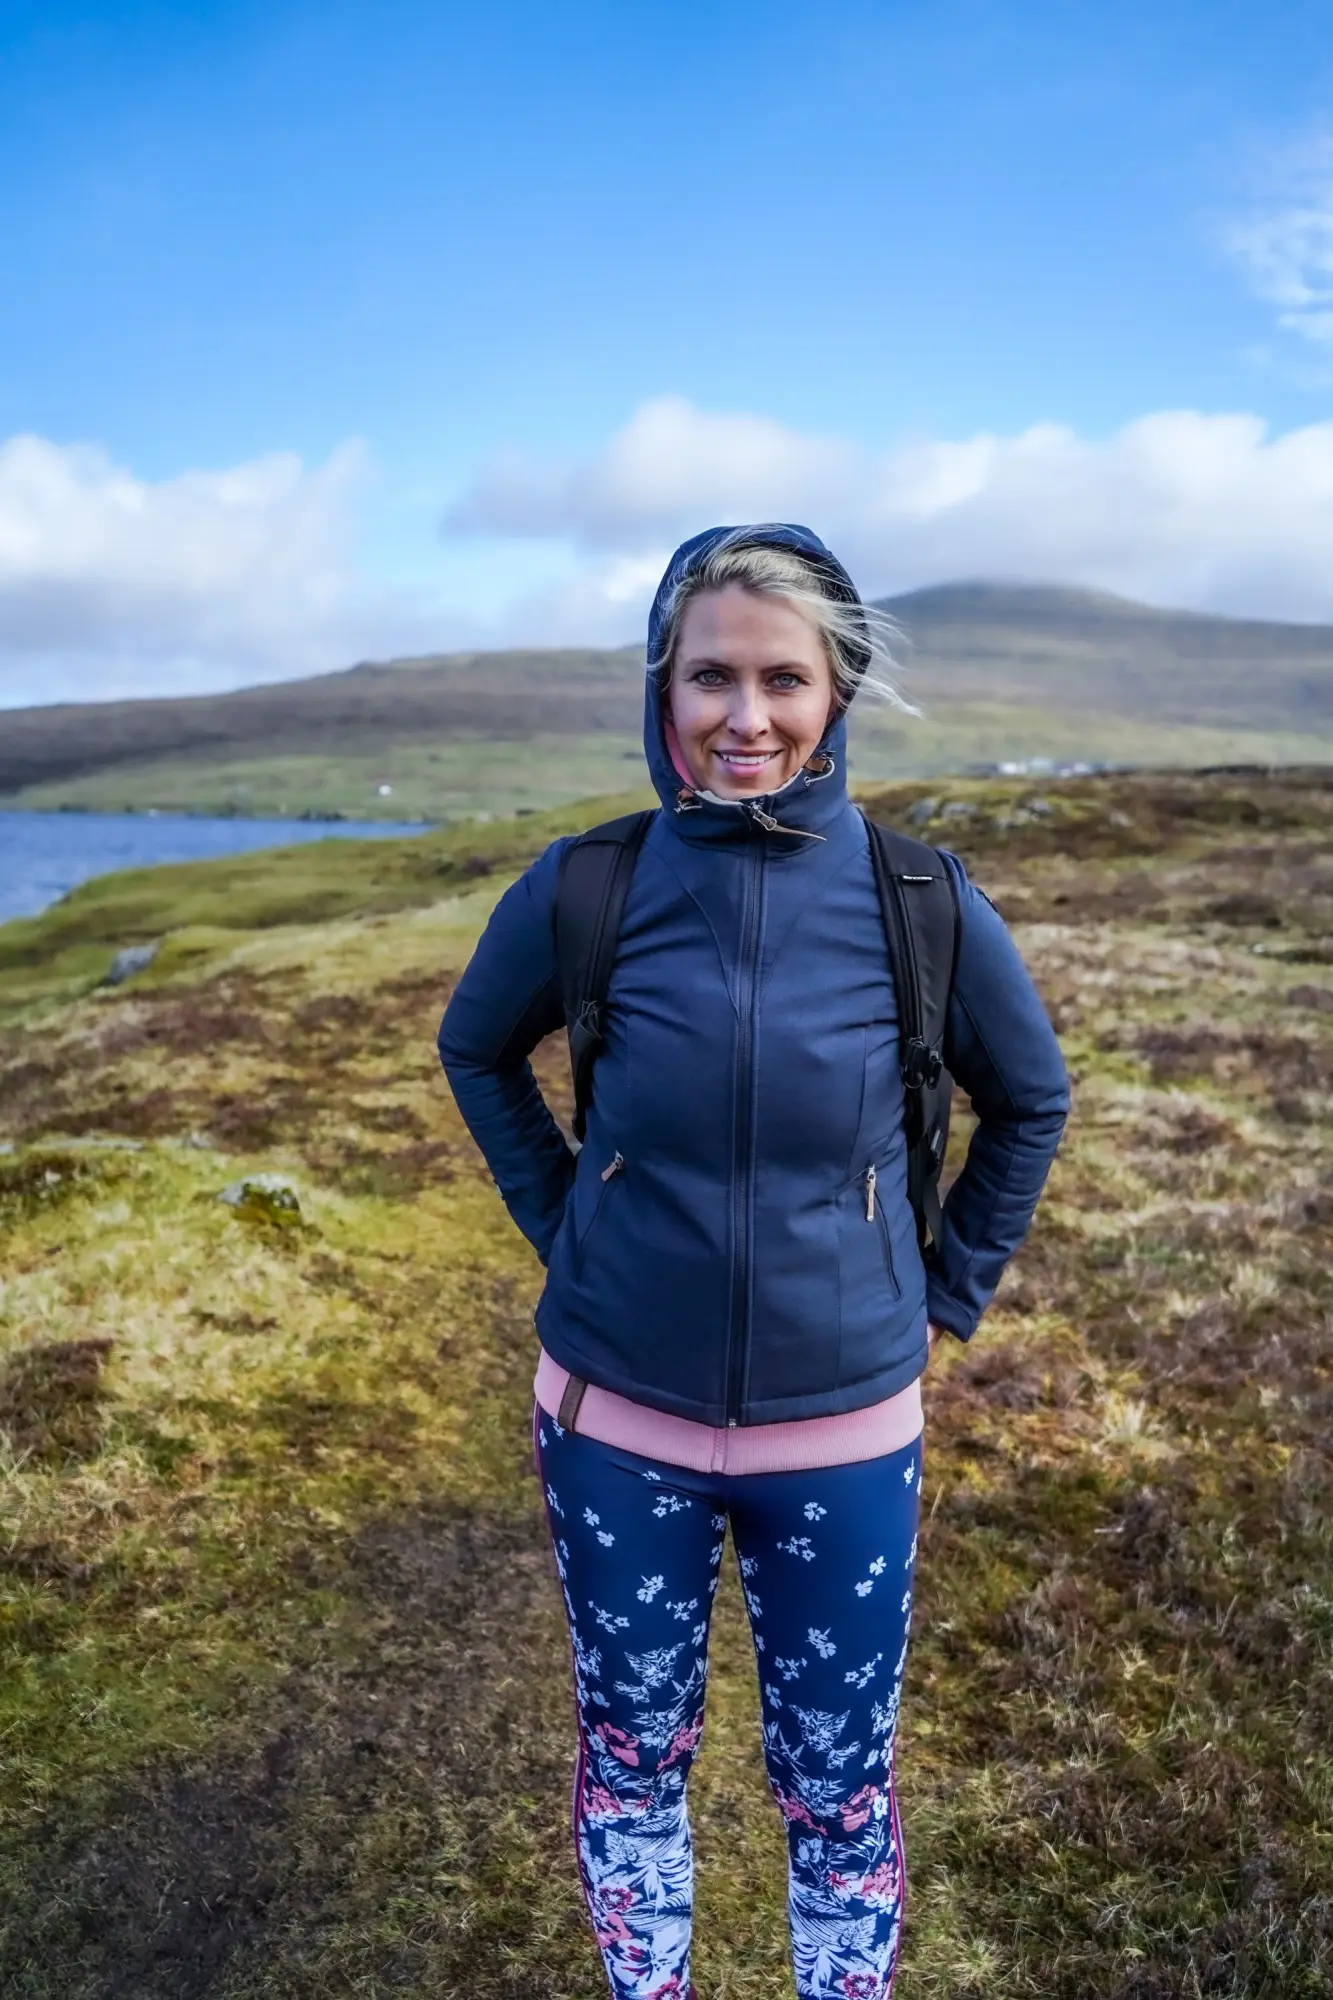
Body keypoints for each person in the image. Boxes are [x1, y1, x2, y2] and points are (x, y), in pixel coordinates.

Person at [438, 523, 1069, 1999]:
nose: (746, 716)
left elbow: (1032, 1099)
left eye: (784, 679)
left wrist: (946, 1293)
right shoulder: (586, 886)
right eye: (709, 676)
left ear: (836, 692)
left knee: (839, 1790)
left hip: (844, 1440)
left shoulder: (921, 900)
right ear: (661, 689)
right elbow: (477, 1048)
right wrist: (571, 1226)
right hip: (614, 1430)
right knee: (633, 1762)